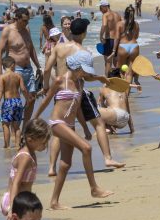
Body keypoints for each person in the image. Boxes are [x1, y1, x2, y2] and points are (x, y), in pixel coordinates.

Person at [32, 50, 113, 209]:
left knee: (65, 164)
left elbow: (77, 109)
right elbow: (46, 101)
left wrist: (85, 128)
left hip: (70, 125)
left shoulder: (80, 83)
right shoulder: (60, 80)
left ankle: (54, 202)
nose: (85, 73)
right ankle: (94, 188)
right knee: (86, 148)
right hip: (57, 123)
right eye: (83, 69)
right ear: (76, 67)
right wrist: (34, 118)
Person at [41, 17, 123, 171]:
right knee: (98, 123)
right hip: (77, 92)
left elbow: (46, 69)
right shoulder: (84, 52)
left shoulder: (58, 47)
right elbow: (86, 77)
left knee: (60, 129)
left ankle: (52, 168)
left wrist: (46, 86)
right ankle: (108, 158)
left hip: (60, 92)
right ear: (84, 34)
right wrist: (100, 78)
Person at [0, 7, 41, 125]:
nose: (27, 23)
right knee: (13, 100)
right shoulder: (8, 31)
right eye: (25, 20)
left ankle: (25, 127)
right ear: (17, 18)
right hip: (15, 69)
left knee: (31, 98)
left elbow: (30, 48)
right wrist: (0, 73)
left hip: (28, 69)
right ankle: (11, 126)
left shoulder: (26, 29)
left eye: (28, 20)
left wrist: (38, 66)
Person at [0, 119, 49, 219]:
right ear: (30, 140)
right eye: (43, 143)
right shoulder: (25, 157)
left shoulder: (30, 153)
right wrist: (12, 208)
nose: (45, 146)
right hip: (15, 202)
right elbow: (16, 182)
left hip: (22, 200)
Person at [0, 57, 29, 148]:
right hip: (17, 102)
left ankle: (7, 145)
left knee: (5, 124)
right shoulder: (18, 76)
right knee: (17, 126)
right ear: (12, 65)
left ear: (4, 66)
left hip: (8, 103)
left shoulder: (2, 77)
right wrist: (28, 99)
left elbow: (0, 91)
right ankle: (17, 145)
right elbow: (23, 89)